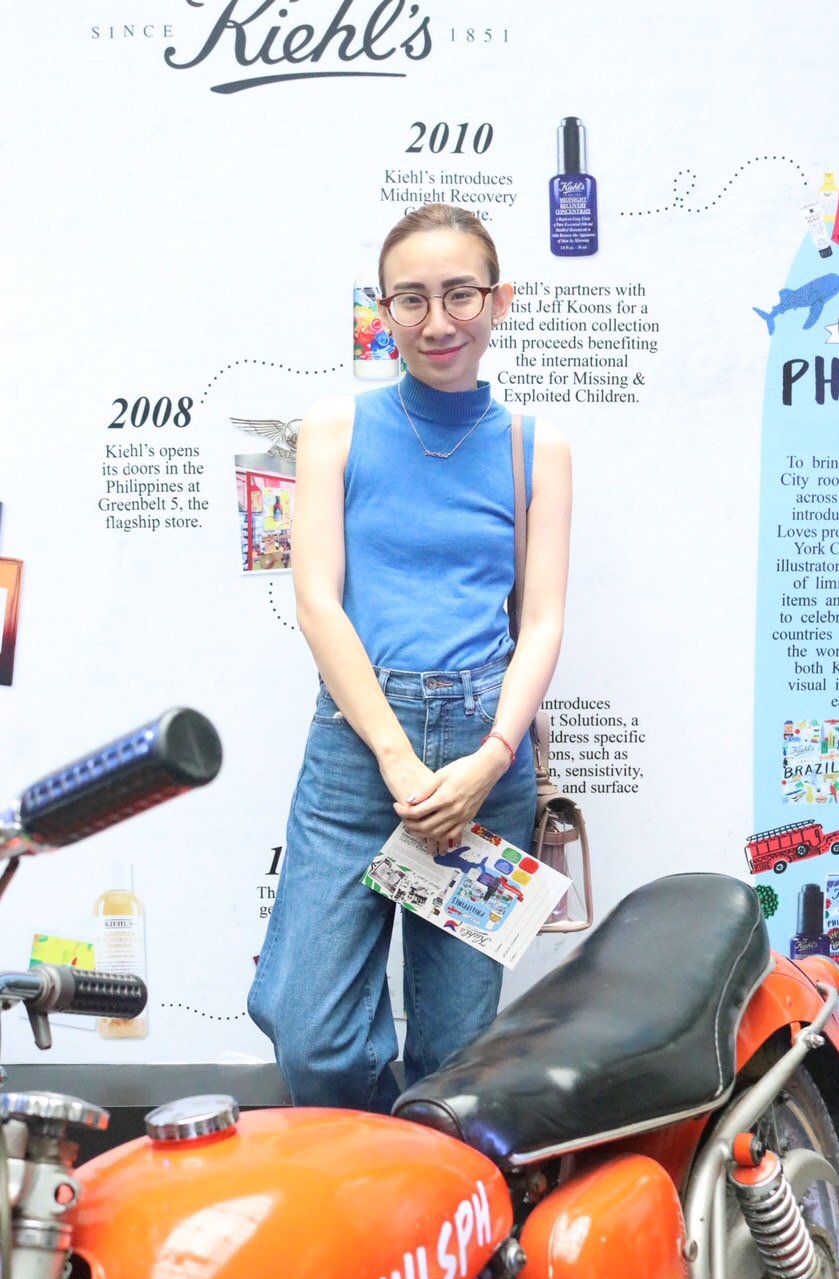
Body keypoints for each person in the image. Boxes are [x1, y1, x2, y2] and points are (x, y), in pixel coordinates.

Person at [248, 204, 572, 1113]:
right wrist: (395, 755)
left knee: (454, 1054)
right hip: (360, 748)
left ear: (499, 300)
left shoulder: (536, 446)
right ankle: (373, 1144)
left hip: (483, 751)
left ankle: (430, 1178)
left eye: (460, 294)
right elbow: (317, 603)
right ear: (382, 310)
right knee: (309, 1031)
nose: (438, 322)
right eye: (412, 299)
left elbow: (542, 619)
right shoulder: (334, 428)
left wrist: (490, 760)